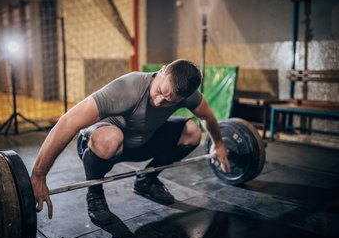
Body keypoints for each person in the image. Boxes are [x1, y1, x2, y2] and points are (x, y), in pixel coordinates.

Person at [31, 59, 230, 225]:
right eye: (160, 91)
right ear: (161, 72)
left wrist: (219, 144)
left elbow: (207, 116)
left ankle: (147, 180)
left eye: (170, 101)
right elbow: (68, 122)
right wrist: (39, 175)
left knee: (193, 132)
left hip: (141, 141)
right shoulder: (128, 87)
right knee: (110, 139)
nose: (161, 101)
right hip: (99, 144)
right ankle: (95, 193)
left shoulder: (186, 92)